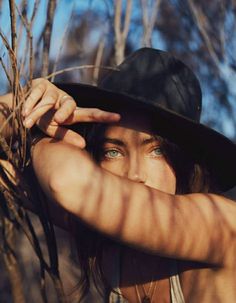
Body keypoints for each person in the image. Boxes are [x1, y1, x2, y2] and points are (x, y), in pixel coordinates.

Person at [1, 48, 236, 302]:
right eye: (113, 152)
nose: (134, 175)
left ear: (186, 163)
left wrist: (43, 136)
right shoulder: (103, 239)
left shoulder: (222, 225)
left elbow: (66, 182)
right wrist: (21, 104)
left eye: (156, 150)